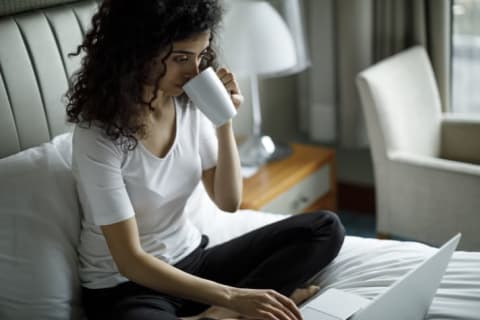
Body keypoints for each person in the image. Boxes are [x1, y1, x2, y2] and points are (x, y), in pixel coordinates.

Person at [66, 1, 345, 320]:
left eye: (200, 56)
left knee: (325, 229)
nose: (194, 72)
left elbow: (228, 200)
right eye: (181, 58)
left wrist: (223, 118)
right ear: (137, 53)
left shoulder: (187, 104)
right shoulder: (98, 136)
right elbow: (130, 259)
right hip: (127, 285)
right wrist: (235, 296)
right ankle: (231, 310)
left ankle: (217, 314)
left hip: (192, 262)